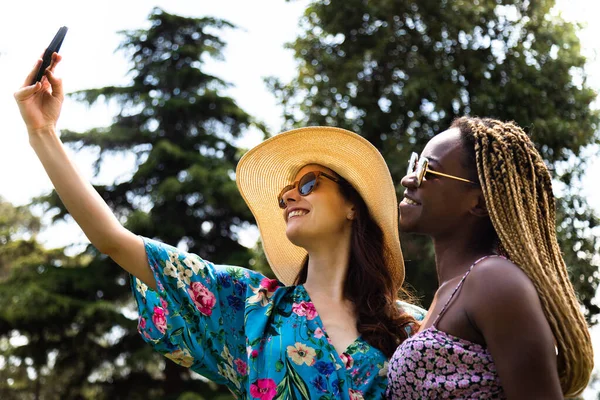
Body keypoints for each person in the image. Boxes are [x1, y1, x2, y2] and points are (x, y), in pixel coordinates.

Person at [14, 53, 424, 399]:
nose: (289, 198)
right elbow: (114, 240)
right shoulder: (247, 308)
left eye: (309, 184)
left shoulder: (410, 327)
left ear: (354, 205)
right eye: (284, 195)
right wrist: (43, 132)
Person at [386, 116, 594, 399]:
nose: (409, 179)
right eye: (415, 164)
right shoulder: (452, 290)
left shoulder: (493, 280)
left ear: (479, 201)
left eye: (428, 170)